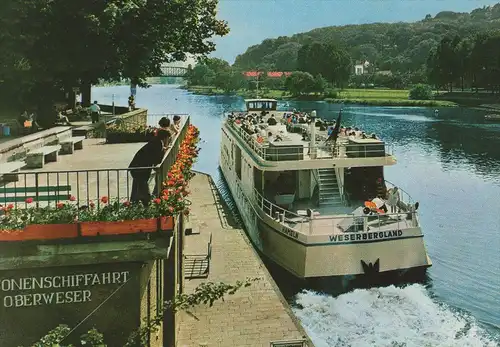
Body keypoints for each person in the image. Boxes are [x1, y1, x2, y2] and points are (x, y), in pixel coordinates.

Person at [129, 129, 171, 205]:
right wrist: (164, 150)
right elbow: (157, 161)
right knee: (143, 186)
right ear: (165, 138)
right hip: (140, 169)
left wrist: (162, 149)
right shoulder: (158, 143)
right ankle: (145, 203)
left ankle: (135, 202)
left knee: (137, 186)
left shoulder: (156, 141)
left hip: (136, 167)